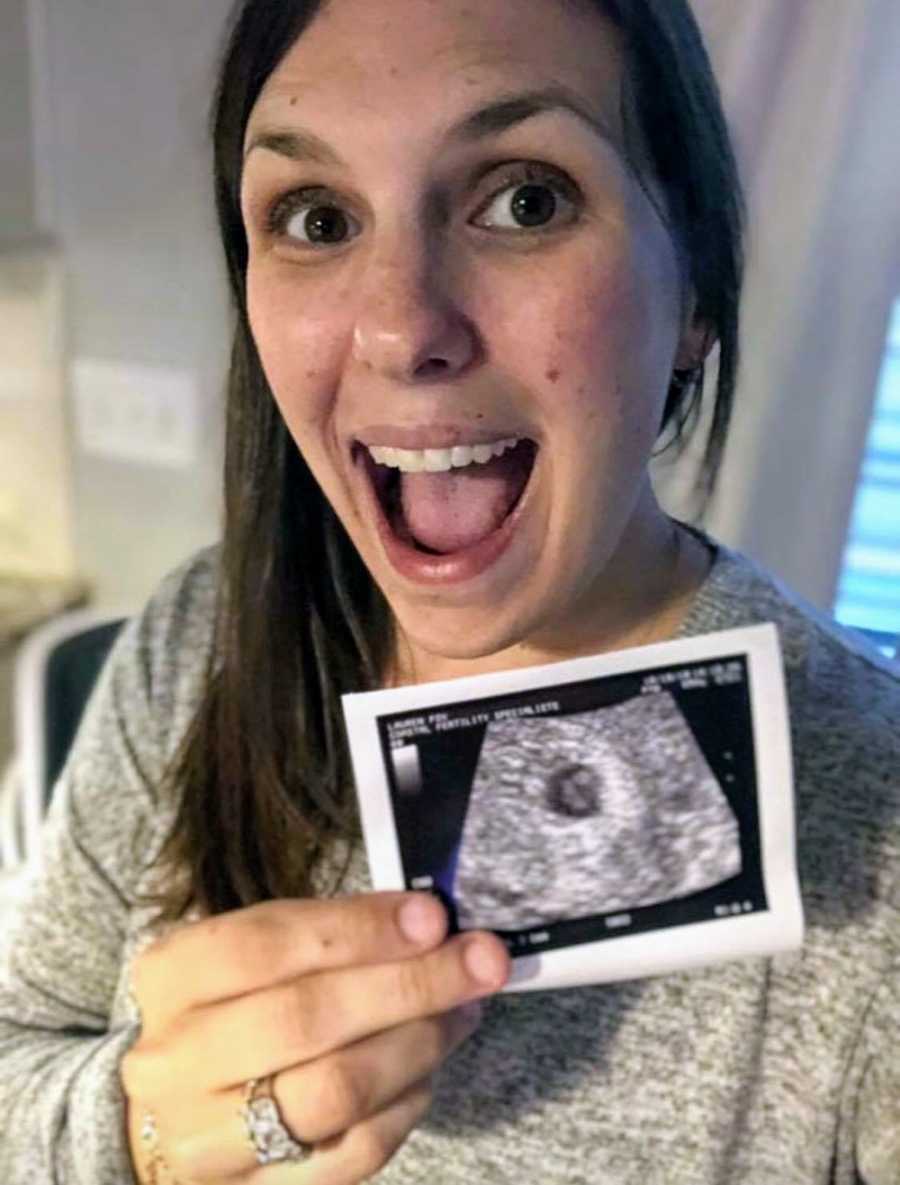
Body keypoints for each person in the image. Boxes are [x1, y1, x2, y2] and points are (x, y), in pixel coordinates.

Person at [0, 0, 897, 1181]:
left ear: (692, 300)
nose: (397, 327)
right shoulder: (197, 639)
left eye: (525, 198)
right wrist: (133, 1130)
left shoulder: (876, 831)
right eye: (316, 219)